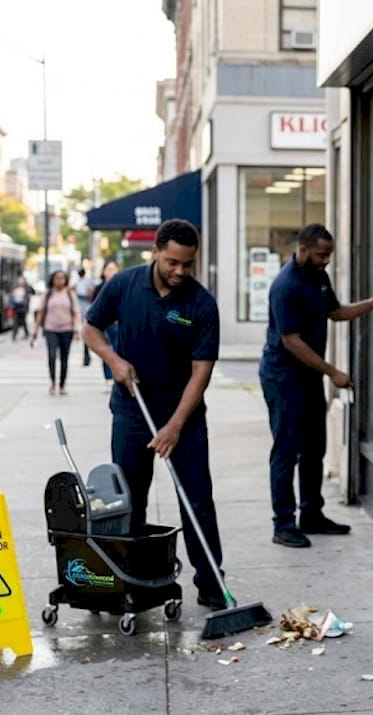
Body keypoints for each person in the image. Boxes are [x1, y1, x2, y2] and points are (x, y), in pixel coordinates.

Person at [83, 219, 229, 610]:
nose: (180, 271)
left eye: (188, 264)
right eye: (172, 262)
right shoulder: (124, 285)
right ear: (156, 252)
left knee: (197, 498)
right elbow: (90, 328)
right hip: (132, 408)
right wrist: (113, 360)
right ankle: (130, 579)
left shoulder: (200, 304)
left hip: (184, 412)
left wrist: (175, 426)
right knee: (130, 496)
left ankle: (212, 582)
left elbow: (202, 371)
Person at [259, 223, 373, 548]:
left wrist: (370, 305)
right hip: (283, 376)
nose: (326, 260)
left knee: (315, 447)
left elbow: (336, 312)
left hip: (308, 375)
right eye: (320, 255)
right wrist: (333, 372)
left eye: (328, 255)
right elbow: (292, 342)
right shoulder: (285, 286)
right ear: (302, 250)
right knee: (287, 450)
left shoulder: (319, 277)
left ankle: (311, 514)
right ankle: (283, 524)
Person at [31, 270, 80, 396]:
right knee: (52, 356)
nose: (59, 281)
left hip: (67, 329)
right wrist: (35, 330)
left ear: (66, 280)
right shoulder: (47, 295)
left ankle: (62, 385)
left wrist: (76, 329)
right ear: (52, 279)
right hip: (50, 329)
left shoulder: (70, 294)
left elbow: (76, 313)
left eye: (62, 278)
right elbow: (41, 313)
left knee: (64, 358)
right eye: (57, 278)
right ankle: (53, 383)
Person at [96, 261, 121, 386]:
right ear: (103, 271)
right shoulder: (99, 287)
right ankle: (108, 376)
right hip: (105, 324)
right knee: (106, 349)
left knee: (118, 348)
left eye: (113, 269)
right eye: (108, 269)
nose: (111, 272)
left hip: (119, 323)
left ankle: (116, 373)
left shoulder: (122, 286)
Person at [76, 267, 96, 367]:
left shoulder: (87, 282)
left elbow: (90, 294)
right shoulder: (77, 282)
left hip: (86, 307)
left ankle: (87, 356)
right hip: (80, 308)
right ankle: (86, 356)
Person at [9, 276, 31, 341]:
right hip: (16, 308)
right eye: (19, 281)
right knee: (16, 322)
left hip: (23, 308)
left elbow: (29, 296)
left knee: (23, 322)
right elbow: (12, 296)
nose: (20, 282)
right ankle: (14, 335)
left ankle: (26, 333)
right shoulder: (16, 288)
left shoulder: (27, 288)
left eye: (22, 281)